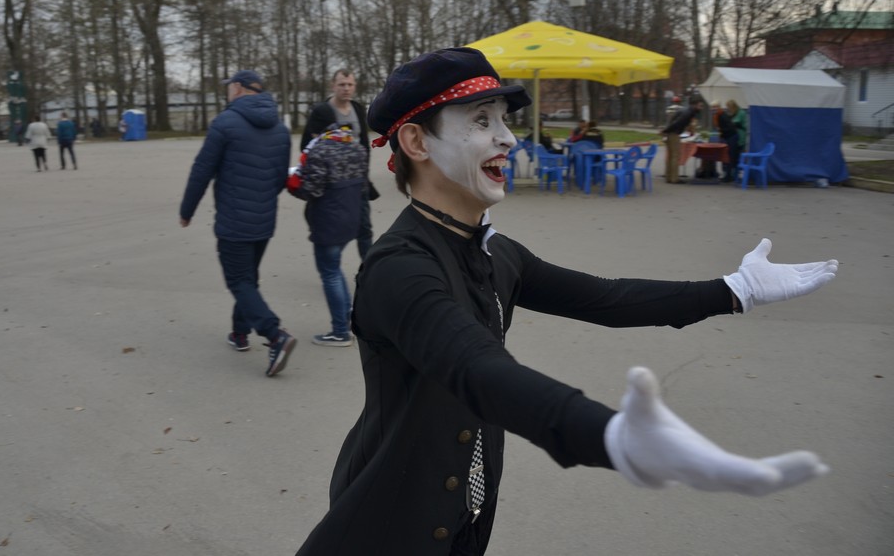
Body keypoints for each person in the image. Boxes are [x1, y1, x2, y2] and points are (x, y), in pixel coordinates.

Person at [296, 47, 838, 556]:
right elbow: (478, 368)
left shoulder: (496, 252)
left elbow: (606, 298)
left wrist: (735, 290)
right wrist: (613, 438)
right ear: (416, 143)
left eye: (503, 120)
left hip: (465, 513)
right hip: (387, 523)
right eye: (482, 121)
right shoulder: (399, 267)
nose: (508, 139)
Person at [179, 70, 295, 377]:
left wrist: (186, 210)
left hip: (233, 220)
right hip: (265, 219)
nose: (227, 91)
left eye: (229, 86)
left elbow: (201, 170)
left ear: (239, 89)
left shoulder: (224, 123)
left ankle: (275, 335)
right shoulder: (281, 129)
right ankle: (239, 333)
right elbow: (280, 177)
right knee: (248, 278)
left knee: (239, 281)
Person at [288, 124, 368, 347]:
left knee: (329, 272)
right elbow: (363, 186)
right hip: (351, 218)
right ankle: (346, 314)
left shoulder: (320, 150)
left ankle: (340, 331)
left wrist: (292, 184)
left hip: (328, 222)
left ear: (318, 132)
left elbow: (311, 190)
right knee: (334, 268)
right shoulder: (356, 147)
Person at [302, 70, 375, 260]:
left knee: (364, 228)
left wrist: (365, 174)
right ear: (333, 86)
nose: (346, 88)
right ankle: (331, 269)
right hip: (333, 184)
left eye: (350, 84)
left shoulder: (357, 109)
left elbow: (364, 144)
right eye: (342, 84)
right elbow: (307, 146)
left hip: (357, 181)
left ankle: (368, 272)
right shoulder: (322, 111)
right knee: (334, 231)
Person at [661, 95, 701, 184]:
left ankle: (669, 177)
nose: (700, 108)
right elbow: (677, 123)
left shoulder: (686, 111)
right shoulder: (687, 113)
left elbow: (677, 122)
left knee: (671, 156)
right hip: (674, 133)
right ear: (694, 105)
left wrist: (666, 131)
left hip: (671, 133)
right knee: (676, 156)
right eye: (699, 106)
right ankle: (674, 178)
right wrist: (665, 130)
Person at [714, 103, 740, 182]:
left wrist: (721, 132)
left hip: (731, 137)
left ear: (719, 107)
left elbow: (729, 127)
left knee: (729, 156)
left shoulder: (722, 116)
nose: (713, 109)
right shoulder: (721, 115)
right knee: (728, 156)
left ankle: (729, 176)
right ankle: (728, 175)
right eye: (712, 107)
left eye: (715, 107)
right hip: (730, 136)